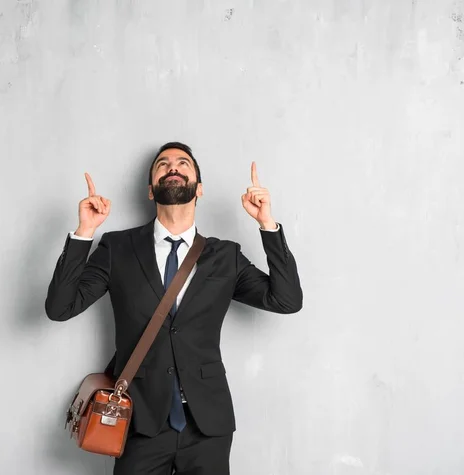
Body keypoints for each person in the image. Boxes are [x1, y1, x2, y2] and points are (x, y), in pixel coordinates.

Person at [45, 142, 303, 474]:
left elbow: (286, 300)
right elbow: (59, 307)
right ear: (151, 190)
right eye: (162, 164)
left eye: (183, 163)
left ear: (199, 188)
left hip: (207, 425)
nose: (173, 167)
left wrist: (267, 224)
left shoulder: (226, 257)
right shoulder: (118, 248)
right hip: (138, 422)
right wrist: (85, 232)